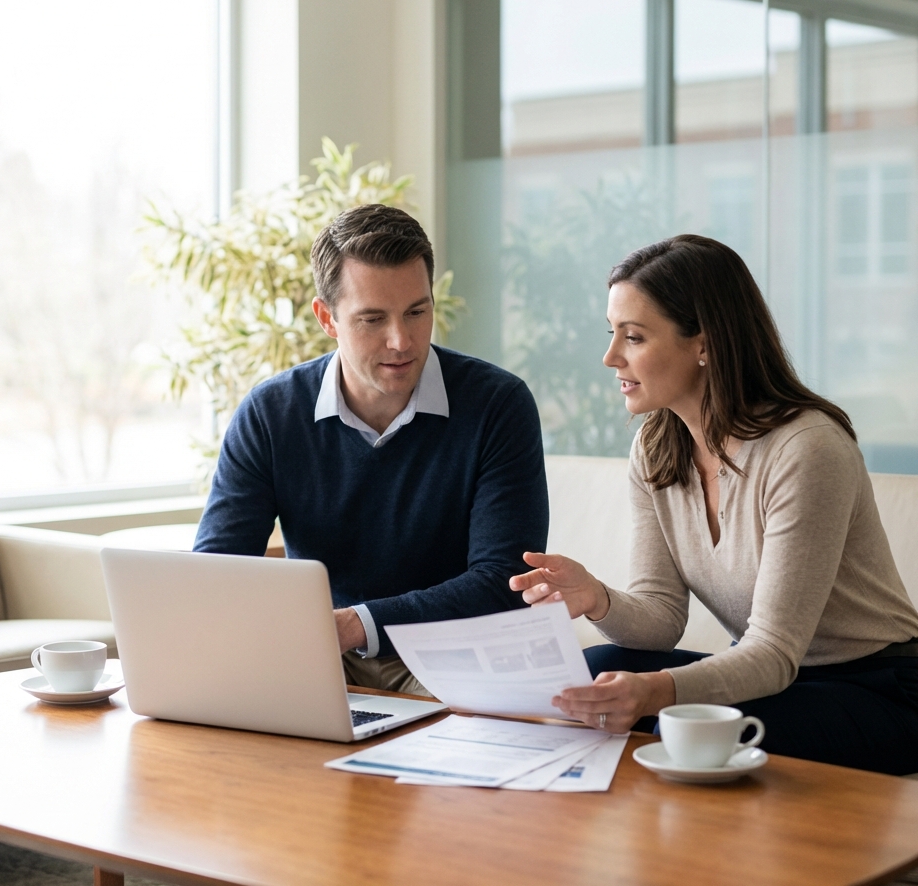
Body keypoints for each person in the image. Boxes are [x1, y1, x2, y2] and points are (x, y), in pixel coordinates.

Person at [510, 234, 918, 775]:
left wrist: (654, 693)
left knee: (676, 726)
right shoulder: (657, 449)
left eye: (633, 337)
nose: (610, 357)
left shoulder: (807, 449)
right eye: (612, 334)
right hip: (774, 677)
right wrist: (597, 598)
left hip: (877, 689)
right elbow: (661, 621)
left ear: (704, 343)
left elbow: (772, 652)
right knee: (592, 671)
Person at [195, 203, 549, 694]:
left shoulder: (497, 404)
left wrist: (357, 624)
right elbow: (218, 570)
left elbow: (505, 581)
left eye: (416, 312)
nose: (401, 340)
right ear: (327, 318)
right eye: (372, 319)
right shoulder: (271, 413)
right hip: (320, 655)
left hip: (455, 654)